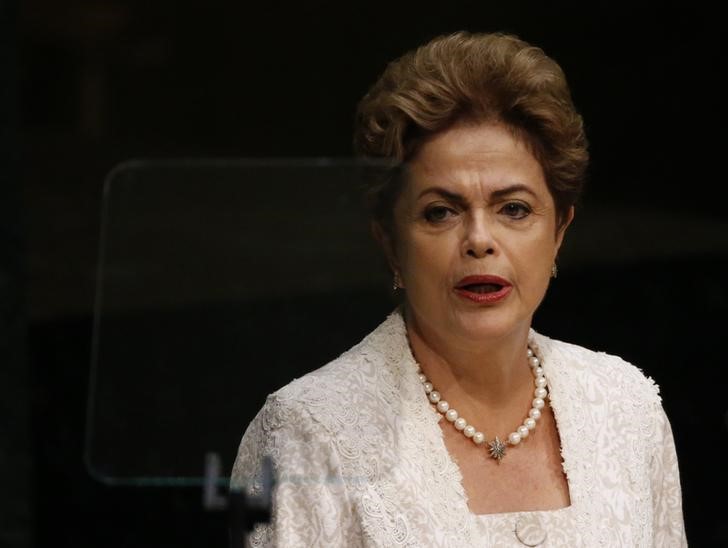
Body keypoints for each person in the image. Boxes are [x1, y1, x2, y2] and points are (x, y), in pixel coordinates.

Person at [231, 31, 686, 546]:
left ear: (559, 230)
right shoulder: (307, 434)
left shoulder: (626, 408)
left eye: (513, 208)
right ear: (389, 241)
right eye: (440, 212)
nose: (479, 240)